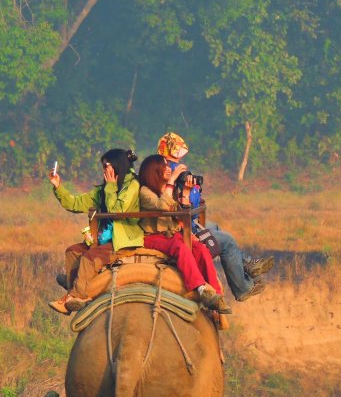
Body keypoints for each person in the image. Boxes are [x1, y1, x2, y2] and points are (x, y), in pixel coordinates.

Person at [156, 132, 274, 301]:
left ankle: (247, 263)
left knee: (214, 227)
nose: (177, 164)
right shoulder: (165, 175)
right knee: (228, 241)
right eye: (175, 160)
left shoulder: (161, 170)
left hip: (184, 221)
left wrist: (188, 190)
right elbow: (173, 205)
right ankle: (243, 288)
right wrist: (180, 185)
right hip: (177, 227)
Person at [48, 149, 143, 314]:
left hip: (123, 240)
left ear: (117, 166)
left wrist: (111, 186)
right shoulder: (104, 189)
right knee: (72, 251)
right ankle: (74, 288)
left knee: (90, 258)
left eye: (106, 166)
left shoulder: (133, 186)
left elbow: (117, 210)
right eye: (103, 166)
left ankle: (75, 297)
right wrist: (58, 187)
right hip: (104, 238)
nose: (104, 170)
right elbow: (75, 203)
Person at [138, 154, 231, 314]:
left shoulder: (166, 189)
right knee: (180, 247)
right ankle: (200, 288)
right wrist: (172, 180)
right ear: (154, 171)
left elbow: (180, 213)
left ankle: (217, 295)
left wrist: (186, 193)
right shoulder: (145, 192)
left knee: (200, 249)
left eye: (169, 166)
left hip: (173, 234)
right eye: (164, 166)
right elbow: (163, 206)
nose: (169, 169)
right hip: (153, 236)